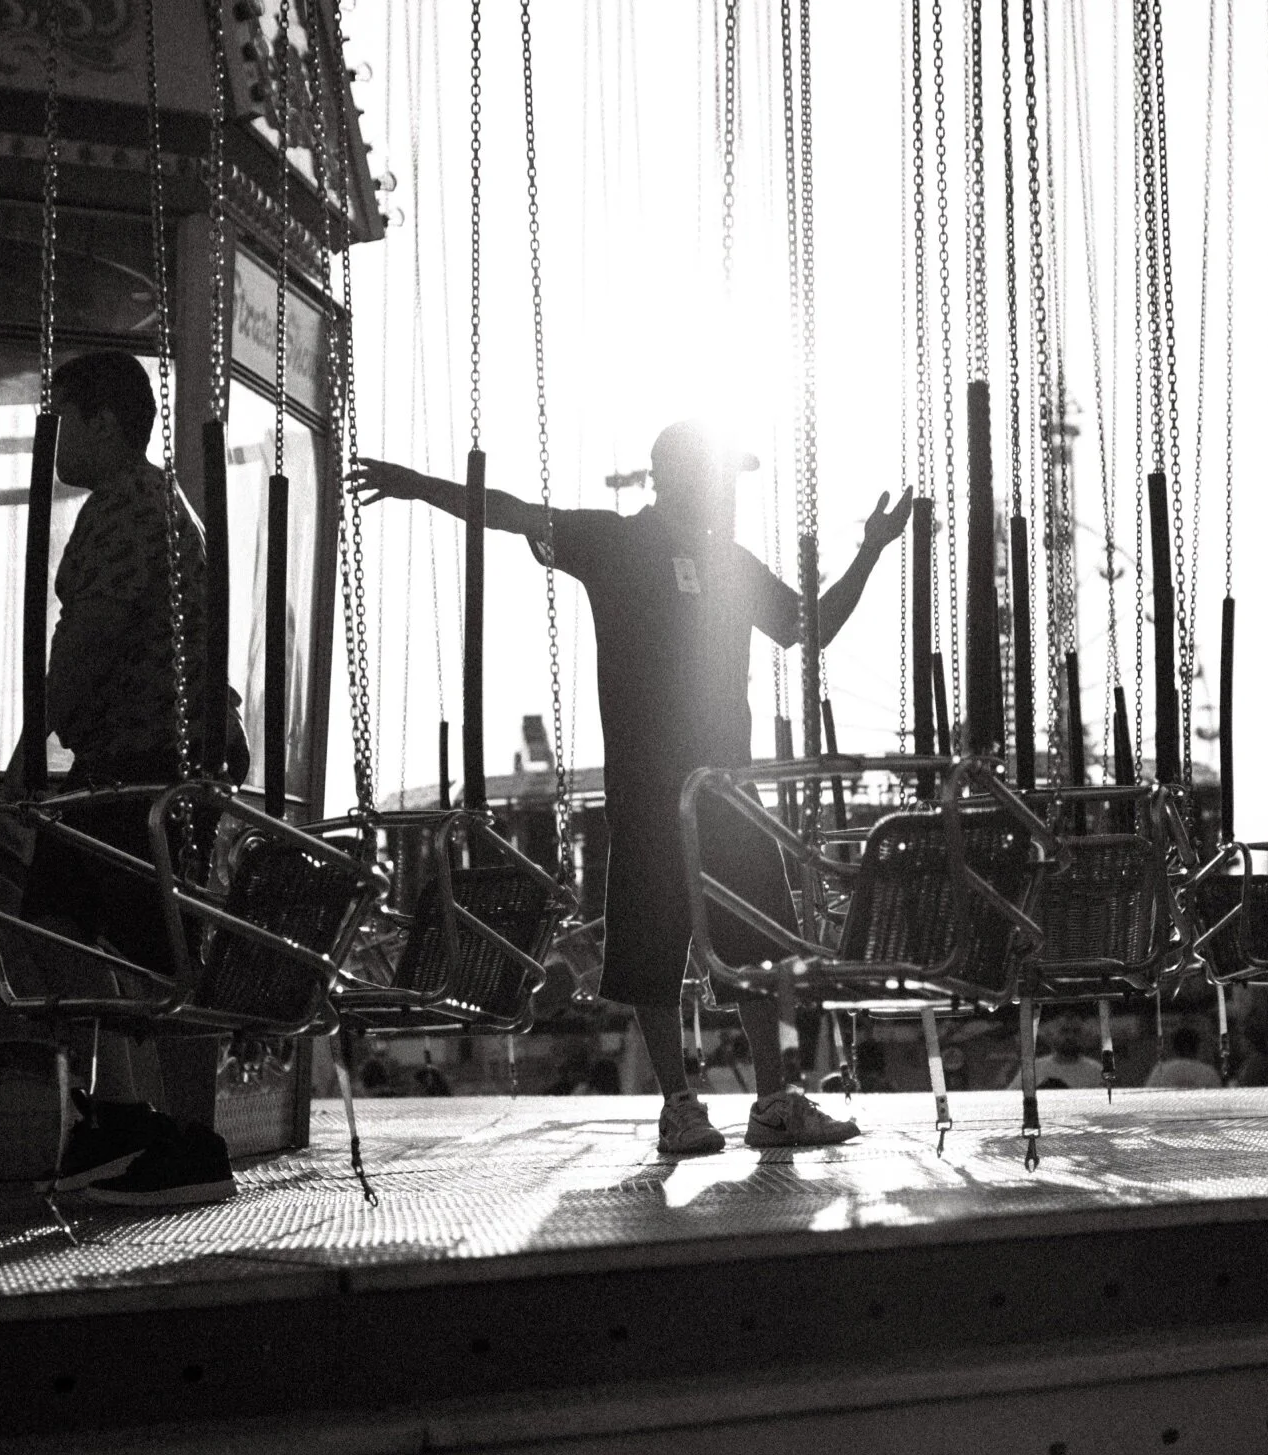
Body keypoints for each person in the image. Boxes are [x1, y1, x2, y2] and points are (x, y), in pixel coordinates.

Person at [350, 423, 911, 1156]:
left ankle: (773, 1101)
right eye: (719, 476)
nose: (727, 490)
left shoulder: (730, 562)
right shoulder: (617, 542)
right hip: (649, 789)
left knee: (761, 949)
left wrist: (872, 548)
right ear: (675, 477)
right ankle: (679, 1104)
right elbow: (514, 512)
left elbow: (811, 625)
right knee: (652, 952)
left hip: (727, 789)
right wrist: (420, 486)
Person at [12, 350, 251, 1208]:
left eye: (65, 418)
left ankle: (194, 1139)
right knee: (57, 924)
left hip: (140, 765)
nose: (56, 441)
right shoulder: (147, 507)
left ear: (106, 423)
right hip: (112, 765)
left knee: (160, 954)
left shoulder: (125, 511)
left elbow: (93, 638)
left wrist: (31, 739)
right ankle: (124, 1111)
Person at [1144, 1026, 1223, 1088]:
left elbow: (1149, 1099)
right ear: (1198, 1046)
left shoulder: (1160, 1072)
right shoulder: (1209, 1073)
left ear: (1173, 1047)